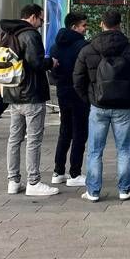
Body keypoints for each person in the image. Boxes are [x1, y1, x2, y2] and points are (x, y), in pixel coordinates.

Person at [73, 10, 130, 203]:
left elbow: (78, 79)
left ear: (101, 24)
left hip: (98, 106)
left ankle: (93, 191)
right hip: (123, 106)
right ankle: (125, 190)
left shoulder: (88, 49)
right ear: (119, 25)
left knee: (95, 150)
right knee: (124, 149)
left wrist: (89, 99)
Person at [1, 4, 58, 196]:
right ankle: (33, 182)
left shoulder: (8, 33)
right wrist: (51, 62)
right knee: (33, 139)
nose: (41, 23)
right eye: (41, 19)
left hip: (13, 92)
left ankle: (13, 181)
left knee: (14, 139)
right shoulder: (30, 34)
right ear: (33, 17)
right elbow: (36, 62)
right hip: (31, 93)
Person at [48, 12, 90, 187]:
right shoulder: (83, 46)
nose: (85, 28)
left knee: (65, 131)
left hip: (62, 92)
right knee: (80, 133)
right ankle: (75, 173)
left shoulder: (55, 46)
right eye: (83, 25)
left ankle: (58, 171)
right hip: (79, 94)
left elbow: (53, 71)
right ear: (74, 27)